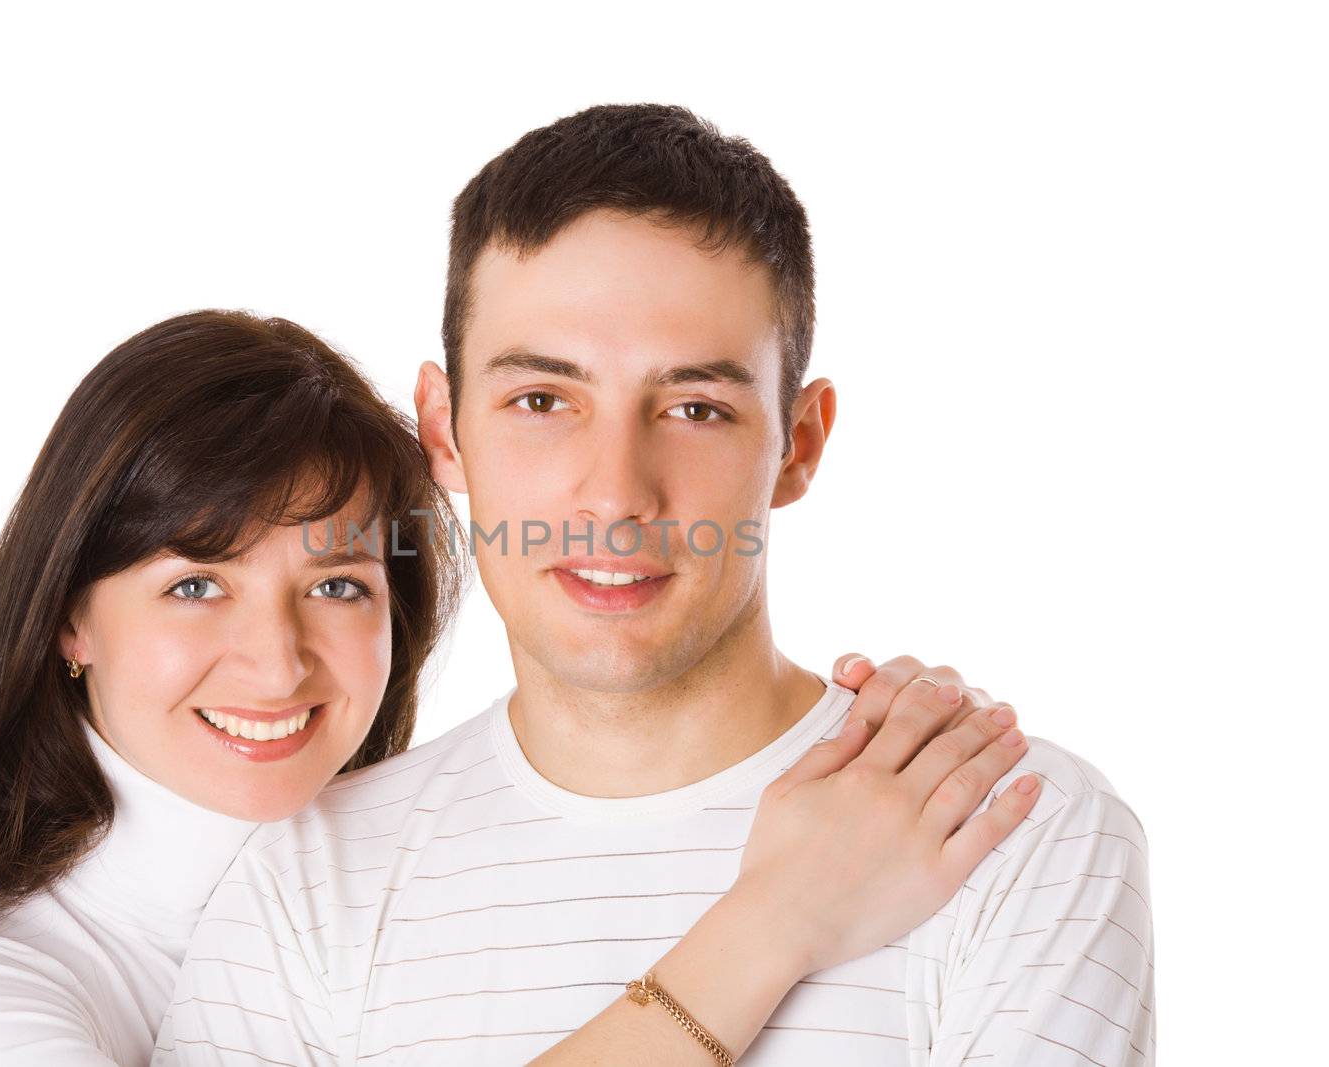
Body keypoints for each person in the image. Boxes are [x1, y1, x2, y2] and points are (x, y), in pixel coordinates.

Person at [153, 105, 1156, 1065]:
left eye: (693, 408)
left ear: (797, 444)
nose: (614, 497)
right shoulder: (303, 881)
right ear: (445, 428)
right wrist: (767, 926)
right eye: (541, 399)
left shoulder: (1010, 821)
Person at [0, 309, 1023, 1067]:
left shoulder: (414, 903)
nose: (275, 662)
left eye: (339, 585)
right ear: (67, 624)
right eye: (194, 585)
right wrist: (777, 922)